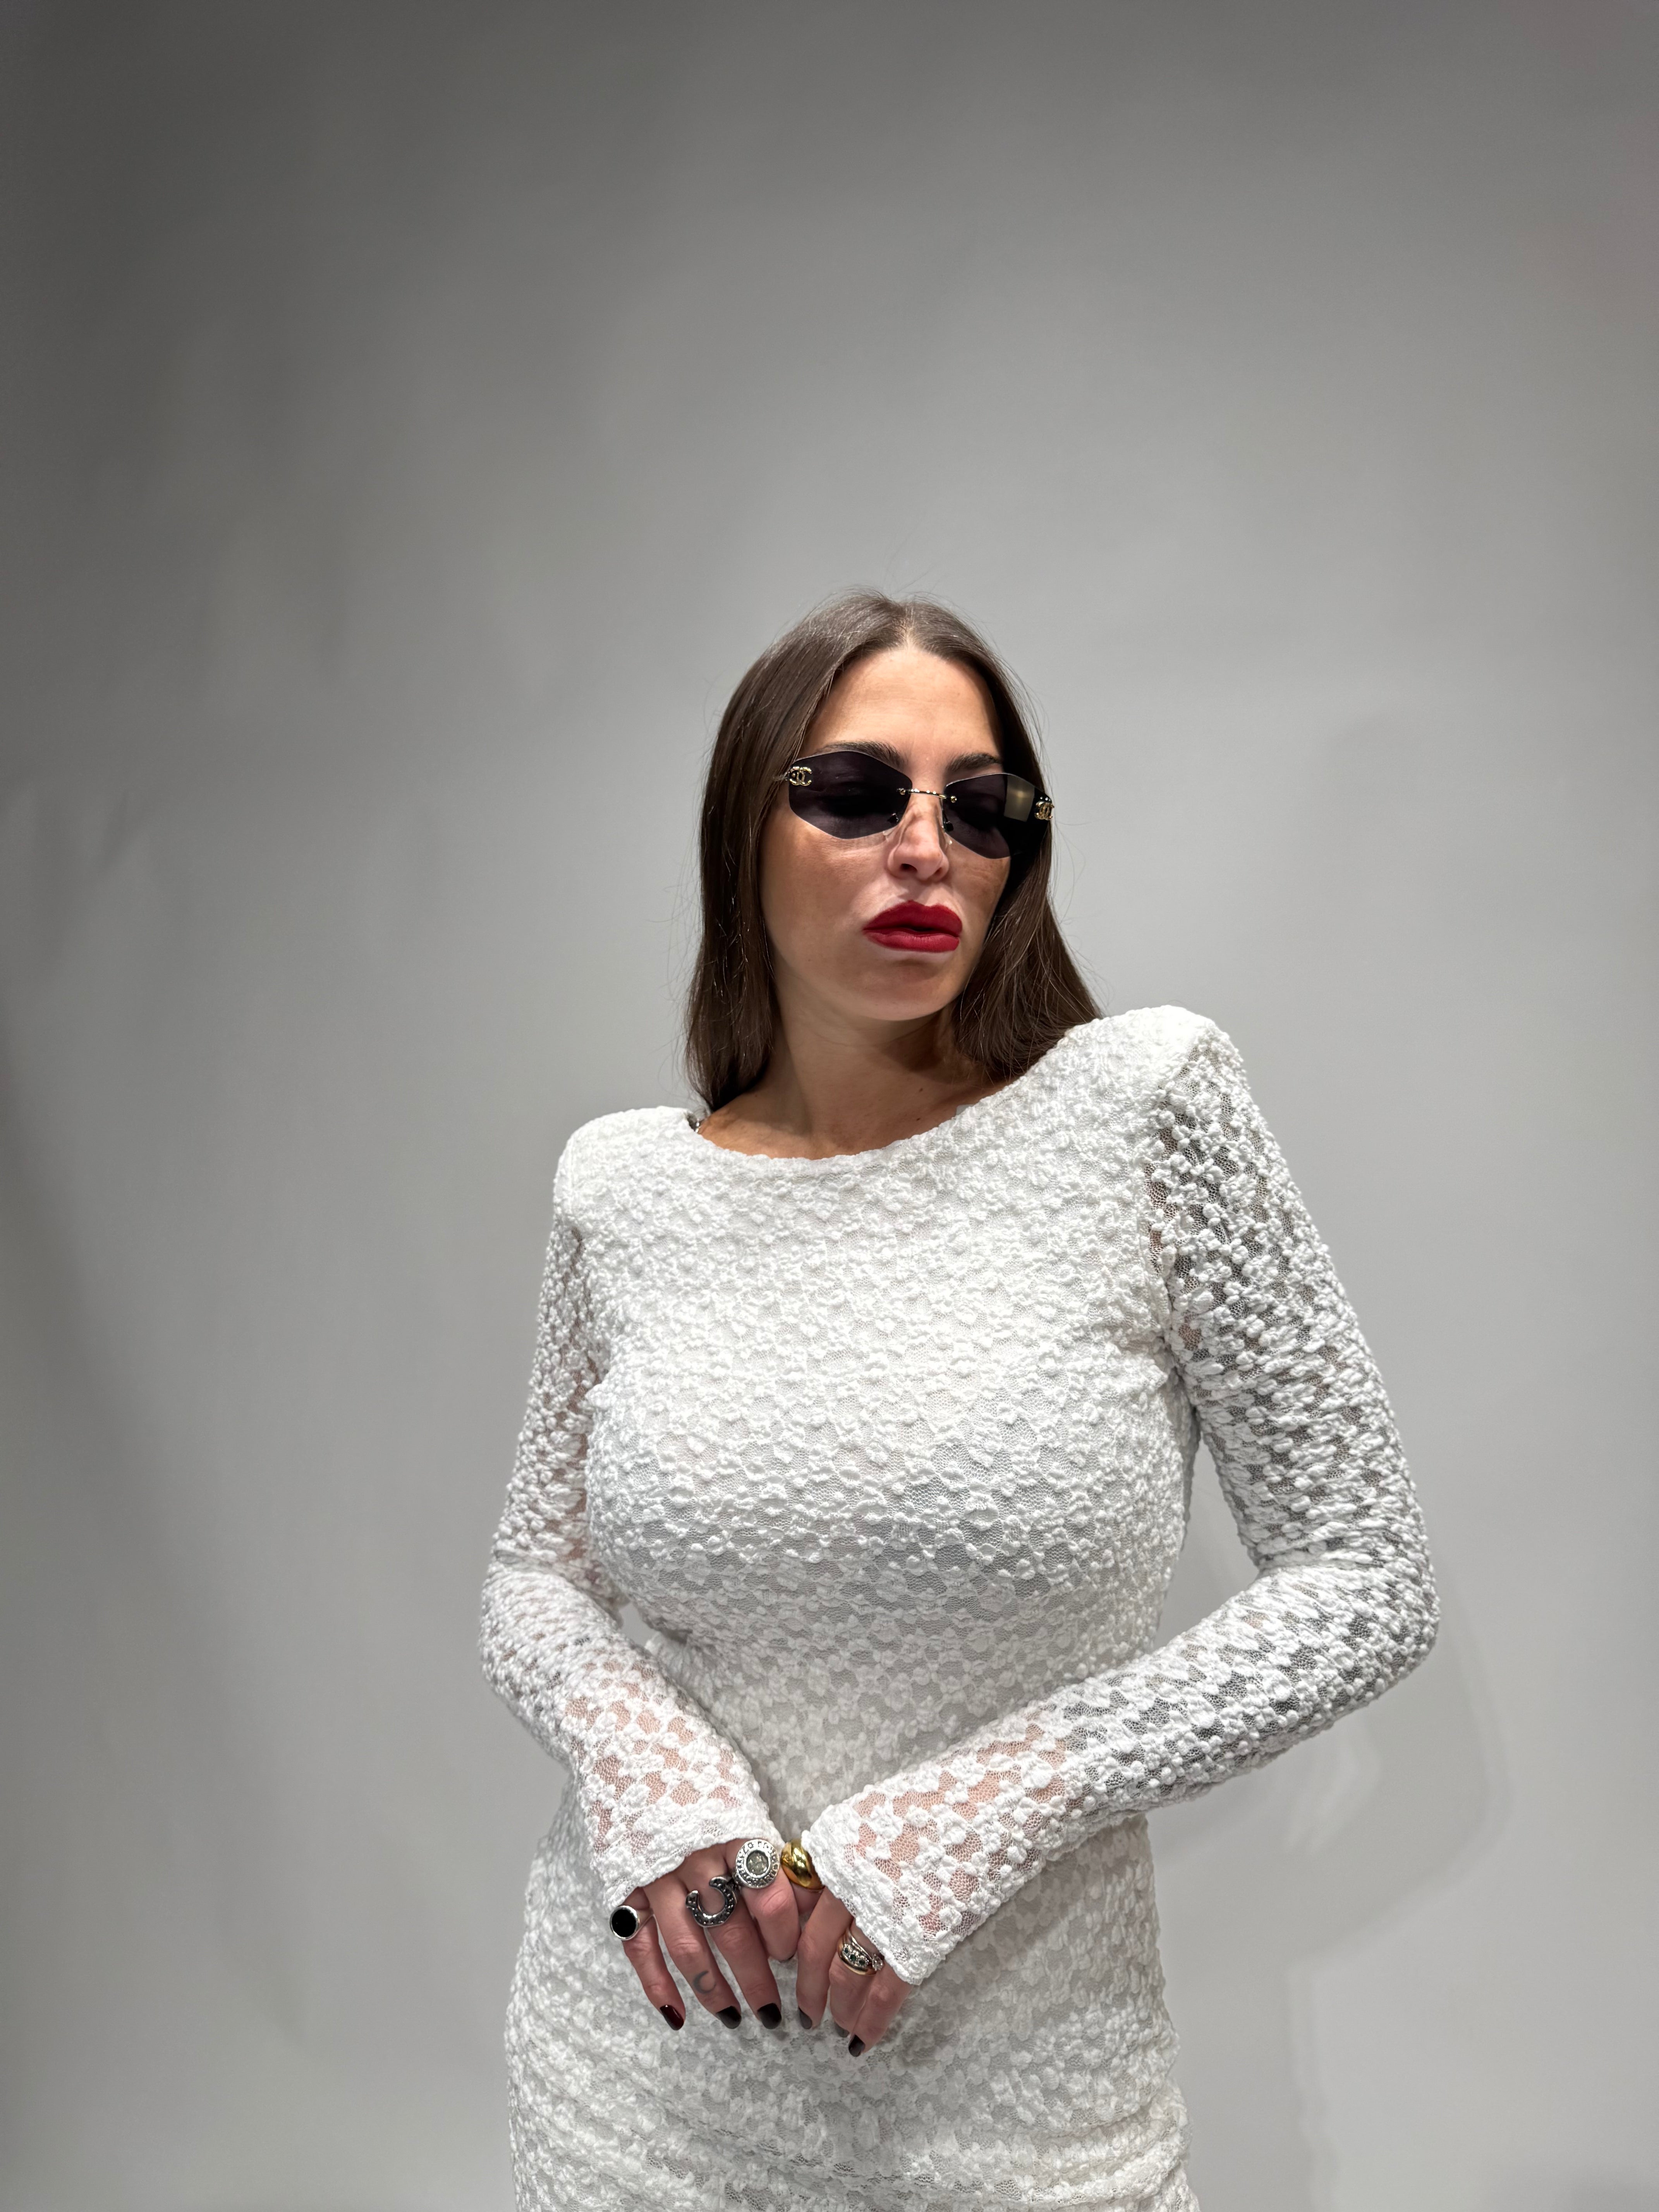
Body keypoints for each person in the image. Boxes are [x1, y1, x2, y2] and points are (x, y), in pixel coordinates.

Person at [478, 591, 1439, 2210]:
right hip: (632, 2097)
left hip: (1019, 2117)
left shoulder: (1143, 1108)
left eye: (981, 810)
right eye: (857, 794)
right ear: (741, 832)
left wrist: (986, 1804)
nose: (927, 847)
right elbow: (534, 1574)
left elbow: (1365, 1577)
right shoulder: (621, 1187)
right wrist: (647, 1766)